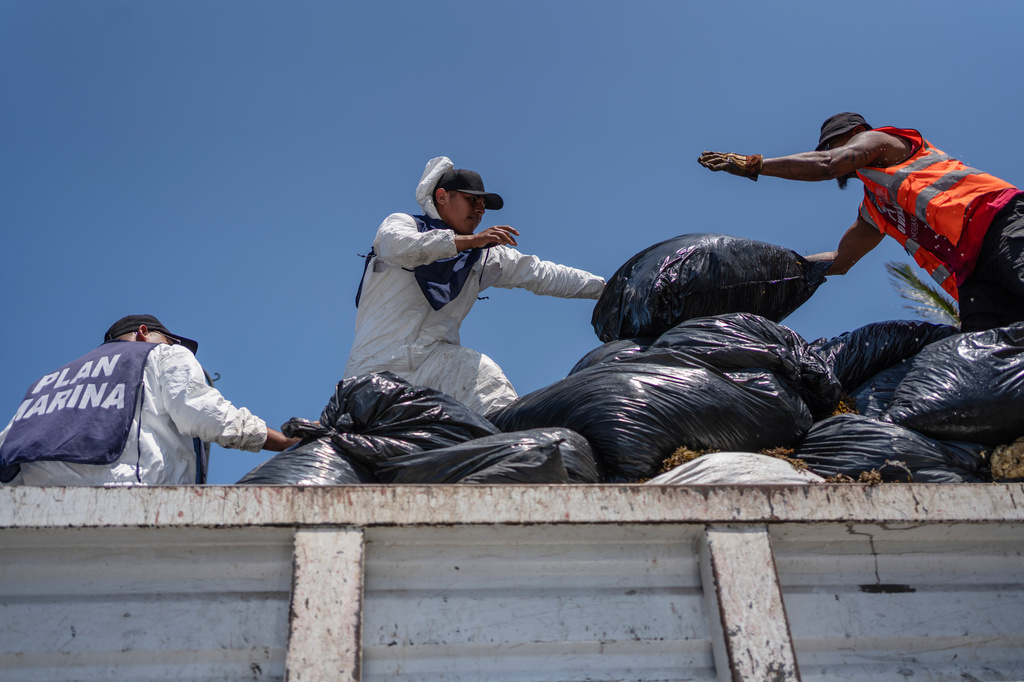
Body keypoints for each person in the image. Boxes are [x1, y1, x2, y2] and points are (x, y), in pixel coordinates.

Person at [697, 112, 1024, 331]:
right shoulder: (875, 207)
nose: (829, 152)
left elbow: (830, 164)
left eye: (834, 143)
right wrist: (763, 273)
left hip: (1000, 223)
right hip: (971, 274)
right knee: (989, 349)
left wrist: (752, 164)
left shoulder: (884, 141)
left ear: (856, 134)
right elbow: (840, 262)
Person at [345, 156, 606, 414]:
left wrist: (609, 288)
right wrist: (468, 241)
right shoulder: (405, 224)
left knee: (483, 379)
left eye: (483, 204)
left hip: (434, 362)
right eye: (472, 200)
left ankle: (513, 449)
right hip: (375, 368)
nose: (480, 210)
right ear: (442, 197)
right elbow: (398, 246)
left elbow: (541, 273)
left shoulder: (482, 255)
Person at [0, 314, 298, 486]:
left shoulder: (48, 381)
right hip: (127, 500)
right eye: (170, 339)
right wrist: (282, 441)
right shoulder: (161, 354)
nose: (178, 347)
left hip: (29, 519)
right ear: (144, 333)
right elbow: (204, 412)